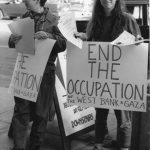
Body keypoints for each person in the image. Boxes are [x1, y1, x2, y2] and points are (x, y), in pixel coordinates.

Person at [74, 0, 142, 150]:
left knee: (123, 117)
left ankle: (124, 147)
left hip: (122, 76)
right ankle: (98, 145)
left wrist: (137, 41)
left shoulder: (127, 19)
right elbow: (92, 42)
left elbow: (139, 43)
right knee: (100, 113)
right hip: (101, 75)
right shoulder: (95, 20)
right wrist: (84, 37)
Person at [8, 0, 66, 150]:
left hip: (45, 73)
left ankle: (35, 146)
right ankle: (18, 147)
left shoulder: (54, 19)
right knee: (21, 111)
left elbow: (63, 44)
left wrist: (49, 36)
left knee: (41, 114)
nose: (23, 2)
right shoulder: (25, 16)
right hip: (25, 71)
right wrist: (12, 39)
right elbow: (13, 41)